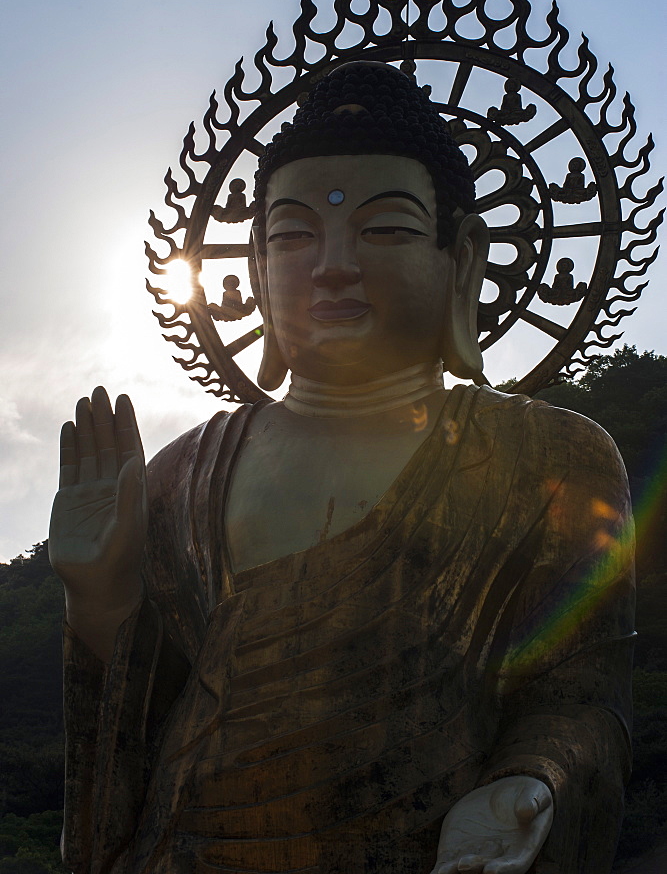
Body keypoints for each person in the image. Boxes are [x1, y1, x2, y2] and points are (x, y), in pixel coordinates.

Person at [49, 63, 635, 874]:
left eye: (384, 229)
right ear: (256, 263)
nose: (329, 264)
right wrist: (100, 599)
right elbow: (139, 717)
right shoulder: (180, 475)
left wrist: (531, 781)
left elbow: (581, 690)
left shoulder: (548, 456)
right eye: (292, 236)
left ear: (461, 255)